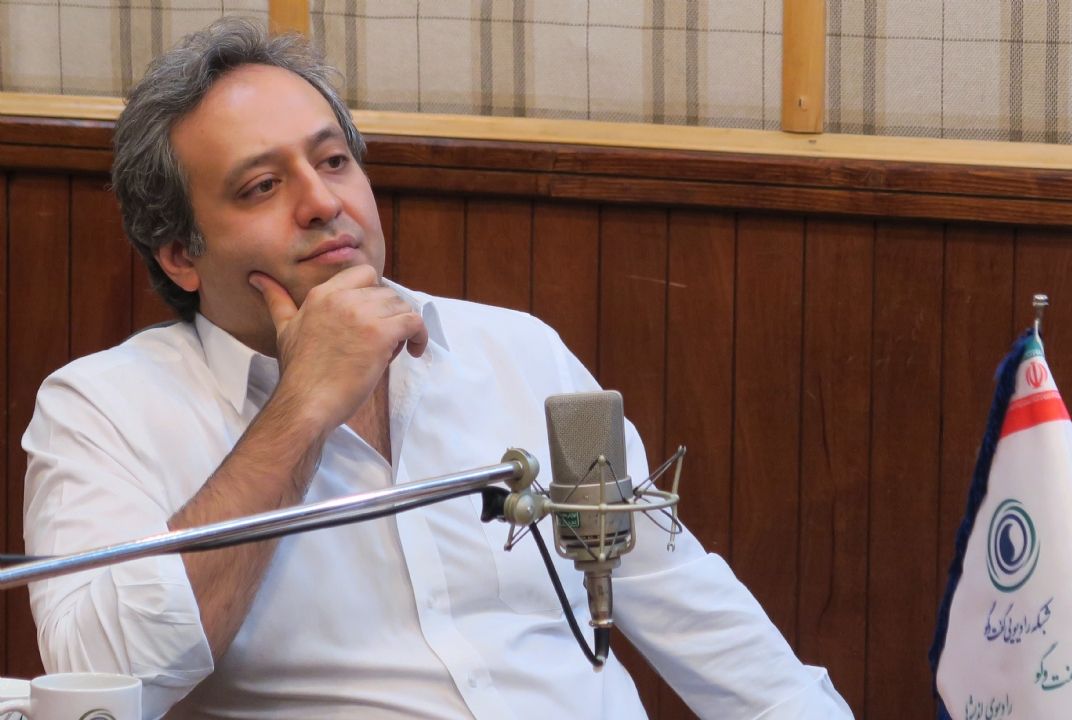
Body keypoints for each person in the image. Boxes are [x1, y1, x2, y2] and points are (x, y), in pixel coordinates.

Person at [22, 18, 853, 720]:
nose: (324, 203)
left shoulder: (515, 350)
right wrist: (300, 409)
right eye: (263, 185)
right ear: (181, 254)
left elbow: (690, 606)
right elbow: (103, 684)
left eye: (335, 162)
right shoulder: (102, 408)